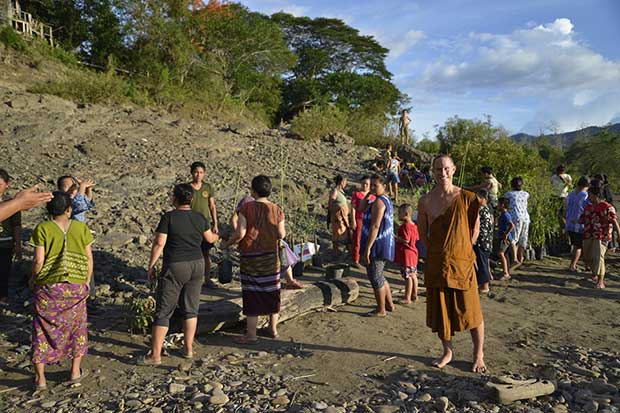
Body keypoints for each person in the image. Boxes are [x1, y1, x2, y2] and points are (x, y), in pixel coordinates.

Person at [417, 154, 486, 373]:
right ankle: (447, 351)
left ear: (454, 170)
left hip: (462, 263)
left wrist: (463, 251)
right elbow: (423, 234)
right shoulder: (425, 200)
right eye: (438, 169)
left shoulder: (466, 197)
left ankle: (479, 354)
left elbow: (475, 230)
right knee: (441, 311)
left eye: (446, 168)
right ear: (433, 171)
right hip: (437, 263)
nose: (442, 173)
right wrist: (437, 253)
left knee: (472, 310)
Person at [140, 184, 219, 365]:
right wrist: (217, 234)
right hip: (197, 265)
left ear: (174, 199)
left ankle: (155, 355)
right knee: (191, 309)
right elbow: (210, 239)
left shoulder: (168, 217)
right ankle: (188, 349)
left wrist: (151, 266)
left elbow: (160, 243)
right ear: (191, 199)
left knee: (164, 311)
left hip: (176, 265)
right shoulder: (199, 217)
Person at [29, 192, 94, 389]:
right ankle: (75, 371)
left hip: (49, 287)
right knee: (77, 327)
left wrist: (33, 278)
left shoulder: (42, 228)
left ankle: (40, 378)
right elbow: (89, 258)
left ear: (48, 210)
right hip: (75, 286)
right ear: (69, 209)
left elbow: (39, 261)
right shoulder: (81, 228)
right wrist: (87, 282)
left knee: (41, 329)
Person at [222, 175, 285, 343]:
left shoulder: (247, 208)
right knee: (272, 290)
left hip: (250, 256)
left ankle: (251, 334)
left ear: (253, 191)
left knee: (252, 292)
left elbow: (241, 233)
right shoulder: (277, 209)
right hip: (270, 256)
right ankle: (272, 328)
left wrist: (227, 243)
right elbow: (281, 234)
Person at [231, 194, 303, 289]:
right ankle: (285, 281)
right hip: (253, 239)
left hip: (267, 238)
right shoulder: (247, 201)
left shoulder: (267, 204)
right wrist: (241, 235)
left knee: (283, 250)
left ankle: (290, 280)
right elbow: (234, 219)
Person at [359, 175, 395, 317]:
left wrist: (367, 249)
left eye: (375, 185)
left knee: (375, 276)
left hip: (377, 244)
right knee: (379, 275)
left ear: (384, 186)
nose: (373, 188)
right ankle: (389, 304)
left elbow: (375, 226)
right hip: (381, 243)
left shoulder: (380, 202)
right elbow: (361, 208)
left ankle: (381, 309)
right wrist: (368, 194)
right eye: (371, 185)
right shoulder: (378, 199)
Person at [579, 181, 619, 289]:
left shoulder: (607, 207)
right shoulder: (589, 207)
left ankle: (601, 281)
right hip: (588, 235)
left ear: (596, 195)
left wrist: (619, 235)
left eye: (590, 196)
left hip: (602, 236)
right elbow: (582, 219)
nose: (589, 198)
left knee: (599, 257)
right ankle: (594, 273)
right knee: (588, 257)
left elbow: (614, 221)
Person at [188, 162, 219, 287]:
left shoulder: (207, 188)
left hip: (205, 225)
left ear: (204, 173)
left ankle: (207, 279)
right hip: (190, 225)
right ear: (191, 173)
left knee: (206, 253)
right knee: (191, 253)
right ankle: (192, 280)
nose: (198, 175)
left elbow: (212, 206)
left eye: (201, 172)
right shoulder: (187, 188)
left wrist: (215, 223)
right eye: (196, 172)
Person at [0, 170, 22, 305]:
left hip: (5, 243)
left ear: (7, 184)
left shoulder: (12, 203)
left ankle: (3, 297)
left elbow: (17, 226)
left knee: (3, 271)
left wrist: (18, 244)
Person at [395, 204, 419, 304]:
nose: (398, 215)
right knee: (413, 275)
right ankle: (414, 294)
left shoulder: (405, 226)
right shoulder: (414, 226)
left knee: (407, 276)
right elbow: (416, 238)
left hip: (407, 254)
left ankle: (407, 297)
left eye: (399, 213)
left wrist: (396, 238)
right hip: (413, 253)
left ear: (406, 214)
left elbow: (406, 240)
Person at [504, 177, 530, 270]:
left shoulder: (508, 194)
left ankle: (515, 259)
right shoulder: (526, 194)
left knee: (513, 239)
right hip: (526, 217)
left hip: (516, 217)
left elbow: (505, 204)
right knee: (523, 239)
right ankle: (521, 258)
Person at [565, 177, 590, 272]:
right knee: (578, 246)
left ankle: (586, 265)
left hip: (569, 223)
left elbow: (565, 207)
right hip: (579, 224)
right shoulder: (586, 196)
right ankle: (573, 265)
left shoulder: (570, 194)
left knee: (577, 245)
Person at [350, 176, 374, 270]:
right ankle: (356, 260)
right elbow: (353, 208)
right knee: (357, 240)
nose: (365, 185)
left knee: (368, 240)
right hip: (359, 219)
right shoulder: (357, 194)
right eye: (363, 183)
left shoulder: (373, 196)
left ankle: (366, 258)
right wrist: (353, 220)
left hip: (369, 221)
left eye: (367, 184)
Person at [474, 189, 493, 292]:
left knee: (482, 263)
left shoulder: (481, 209)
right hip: (487, 240)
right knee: (483, 262)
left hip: (482, 240)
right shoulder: (488, 209)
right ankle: (483, 284)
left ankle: (485, 286)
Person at [328, 175, 350, 254]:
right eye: (345, 182)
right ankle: (335, 250)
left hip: (344, 215)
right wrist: (338, 209)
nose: (346, 183)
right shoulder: (335, 191)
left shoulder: (341, 191)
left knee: (345, 232)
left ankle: (346, 249)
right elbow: (330, 204)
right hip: (338, 216)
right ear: (341, 182)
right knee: (337, 232)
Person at [497, 197, 515, 281]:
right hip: (504, 237)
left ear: (502, 205)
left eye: (498, 204)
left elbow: (512, 225)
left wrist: (506, 234)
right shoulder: (503, 214)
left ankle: (505, 273)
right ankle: (507, 271)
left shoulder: (505, 215)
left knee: (501, 253)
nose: (497, 206)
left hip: (505, 238)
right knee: (505, 255)